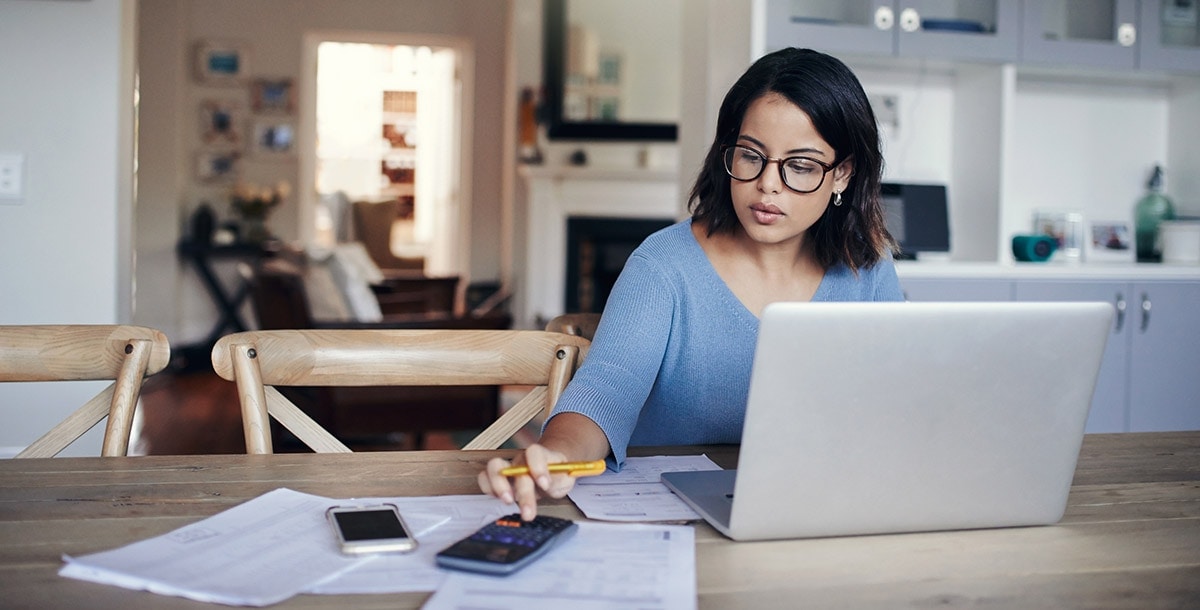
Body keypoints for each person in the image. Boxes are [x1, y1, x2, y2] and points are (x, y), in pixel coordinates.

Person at [480, 48, 904, 519]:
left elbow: (897, 406)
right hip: (670, 519)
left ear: (842, 173)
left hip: (813, 511)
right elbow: (605, 391)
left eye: (801, 166)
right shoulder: (663, 266)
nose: (768, 184)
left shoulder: (868, 268)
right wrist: (555, 456)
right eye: (751, 156)